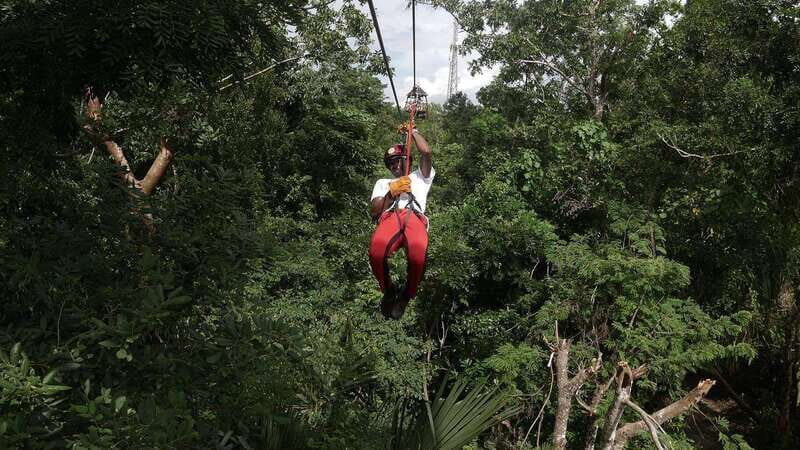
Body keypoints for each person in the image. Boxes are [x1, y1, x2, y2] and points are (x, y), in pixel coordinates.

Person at [368, 129, 434, 319]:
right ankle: (388, 289)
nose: (394, 165)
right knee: (376, 251)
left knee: (418, 254)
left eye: (398, 160)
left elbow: (427, 152)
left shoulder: (420, 176)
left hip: (414, 215)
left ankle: (407, 294)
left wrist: (413, 132)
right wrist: (391, 193)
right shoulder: (383, 182)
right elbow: (374, 211)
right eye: (391, 163)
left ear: (408, 160)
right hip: (391, 216)